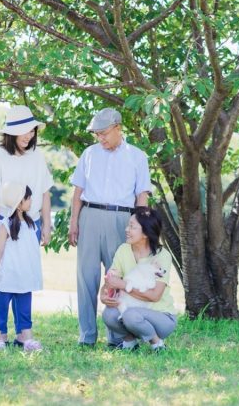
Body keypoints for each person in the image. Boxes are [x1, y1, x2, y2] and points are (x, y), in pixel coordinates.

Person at [68, 107, 152, 346]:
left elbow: (142, 197)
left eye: (104, 133)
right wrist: (74, 222)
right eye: (96, 134)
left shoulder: (137, 156)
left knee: (117, 277)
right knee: (86, 278)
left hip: (122, 220)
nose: (100, 138)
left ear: (118, 127)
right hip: (90, 216)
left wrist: (141, 228)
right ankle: (86, 336)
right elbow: (78, 193)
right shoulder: (89, 154)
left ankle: (116, 337)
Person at [0, 105, 53, 342]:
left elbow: (46, 192)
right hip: (1, 225)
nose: (29, 135)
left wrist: (47, 225)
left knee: (24, 276)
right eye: (24, 131)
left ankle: (24, 334)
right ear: (11, 132)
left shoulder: (36, 157)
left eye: (31, 130)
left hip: (31, 224)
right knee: (2, 280)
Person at [101, 207, 176, 352]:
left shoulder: (162, 255)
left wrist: (123, 284)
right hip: (133, 312)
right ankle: (130, 343)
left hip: (161, 316)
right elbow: (110, 280)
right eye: (128, 225)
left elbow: (155, 296)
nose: (126, 229)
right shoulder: (123, 249)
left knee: (130, 315)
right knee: (109, 314)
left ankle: (157, 343)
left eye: (132, 227)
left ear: (146, 233)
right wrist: (104, 294)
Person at [0, 182, 43, 351]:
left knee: (24, 309)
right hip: (8, 276)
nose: (31, 200)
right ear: (19, 202)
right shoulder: (5, 225)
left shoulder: (30, 224)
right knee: (1, 307)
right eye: (28, 198)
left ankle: (24, 337)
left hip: (24, 277)